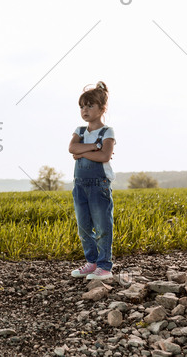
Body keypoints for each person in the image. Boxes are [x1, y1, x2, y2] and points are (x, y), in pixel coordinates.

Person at [68, 82, 116, 280]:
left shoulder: (107, 132)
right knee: (84, 226)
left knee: (103, 226)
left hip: (99, 185)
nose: (84, 110)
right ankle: (92, 262)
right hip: (79, 186)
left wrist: (84, 151)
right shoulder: (79, 131)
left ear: (102, 108)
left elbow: (104, 156)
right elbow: (72, 149)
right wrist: (92, 147)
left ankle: (104, 266)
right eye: (82, 106)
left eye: (90, 106)